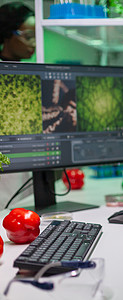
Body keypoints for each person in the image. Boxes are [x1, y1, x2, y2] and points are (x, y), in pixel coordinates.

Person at [0, 2, 35, 208]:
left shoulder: (30, 72)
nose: (34, 45)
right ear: (6, 34)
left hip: (25, 158)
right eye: (28, 36)